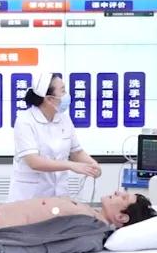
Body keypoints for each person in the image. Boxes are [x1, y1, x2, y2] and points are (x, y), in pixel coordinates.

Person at [0, 190, 157, 253]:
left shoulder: (91, 235)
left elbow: (44, 247)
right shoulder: (92, 215)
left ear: (121, 217)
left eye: (123, 198)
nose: (117, 192)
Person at [8, 72, 100, 201]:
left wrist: (93, 164)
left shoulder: (64, 119)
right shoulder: (25, 120)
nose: (66, 95)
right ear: (49, 99)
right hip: (29, 197)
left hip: (59, 195)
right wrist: (70, 165)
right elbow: (34, 162)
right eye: (62, 91)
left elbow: (76, 152)